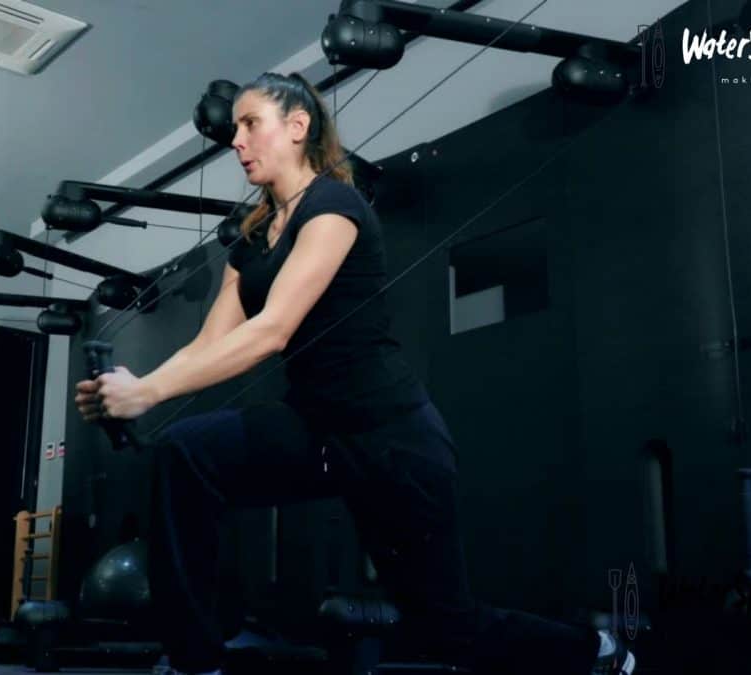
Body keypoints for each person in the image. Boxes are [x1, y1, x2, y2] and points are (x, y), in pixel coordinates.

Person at [74, 72, 635, 675]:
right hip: (314, 430)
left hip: (389, 436)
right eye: (234, 128)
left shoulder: (334, 206)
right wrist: (134, 390)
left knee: (445, 625)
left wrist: (149, 391)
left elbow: (271, 332)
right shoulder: (253, 235)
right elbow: (213, 342)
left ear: (297, 126)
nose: (236, 140)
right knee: (184, 452)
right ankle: (195, 660)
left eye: (249, 123)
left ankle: (595, 653)